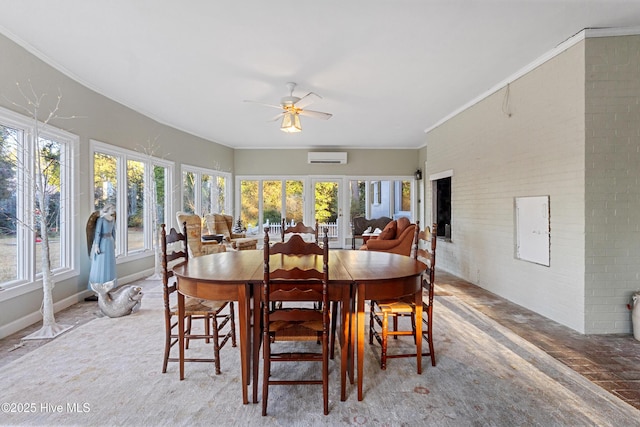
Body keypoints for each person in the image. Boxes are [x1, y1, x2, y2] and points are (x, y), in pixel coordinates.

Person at [85, 204, 117, 301]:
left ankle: (105, 287)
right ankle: (101, 288)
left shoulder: (108, 219)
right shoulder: (103, 219)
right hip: (106, 242)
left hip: (105, 242)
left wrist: (113, 242)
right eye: (112, 209)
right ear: (108, 210)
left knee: (104, 264)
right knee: (103, 264)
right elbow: (99, 233)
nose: (114, 210)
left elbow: (109, 232)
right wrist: (97, 245)